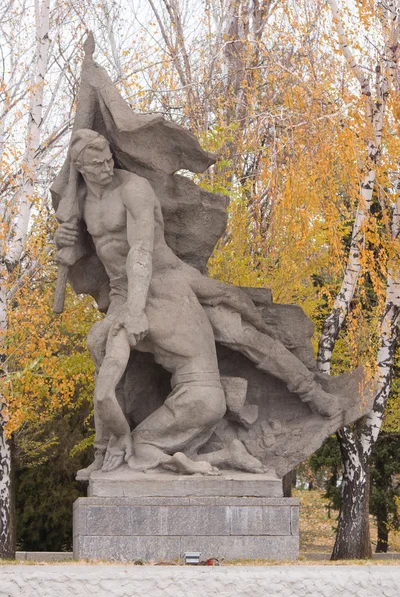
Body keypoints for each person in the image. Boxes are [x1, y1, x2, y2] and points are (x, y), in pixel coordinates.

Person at [56, 129, 341, 476]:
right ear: (81, 168)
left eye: (107, 159)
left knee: (239, 326)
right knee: (101, 348)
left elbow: (141, 251)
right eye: (96, 164)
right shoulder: (80, 201)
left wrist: (136, 310)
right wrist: (67, 243)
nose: (105, 167)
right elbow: (87, 254)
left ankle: (312, 393)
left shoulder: (133, 189)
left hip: (167, 277)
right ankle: (105, 452)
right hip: (122, 289)